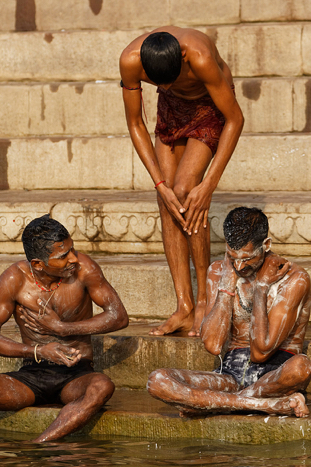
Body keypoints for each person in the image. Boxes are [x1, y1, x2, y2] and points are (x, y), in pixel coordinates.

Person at [0, 215, 129, 443]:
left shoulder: (84, 268)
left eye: (73, 250)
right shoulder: (14, 279)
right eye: (63, 256)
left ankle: (39, 445)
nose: (73, 259)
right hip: (32, 374)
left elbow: (119, 316)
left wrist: (63, 329)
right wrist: (38, 352)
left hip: (76, 375)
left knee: (102, 386)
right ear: (38, 264)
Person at [120, 28, 244, 337]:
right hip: (171, 109)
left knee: (187, 192)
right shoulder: (130, 61)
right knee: (169, 199)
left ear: (184, 58)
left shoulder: (200, 57)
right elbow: (135, 123)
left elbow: (235, 119)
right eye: (158, 82)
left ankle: (204, 301)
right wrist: (159, 184)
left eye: (172, 79)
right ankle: (184, 307)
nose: (164, 85)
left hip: (209, 105)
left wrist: (209, 185)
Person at [147, 207, 311, 417]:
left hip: (275, 373)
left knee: (301, 367)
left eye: (247, 258)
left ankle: (215, 404)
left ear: (266, 245)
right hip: (230, 374)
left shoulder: (293, 278)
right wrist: (227, 283)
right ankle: (264, 405)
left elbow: (261, 351)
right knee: (158, 380)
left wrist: (261, 288)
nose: (239, 266)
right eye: (232, 256)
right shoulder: (219, 271)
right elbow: (213, 345)